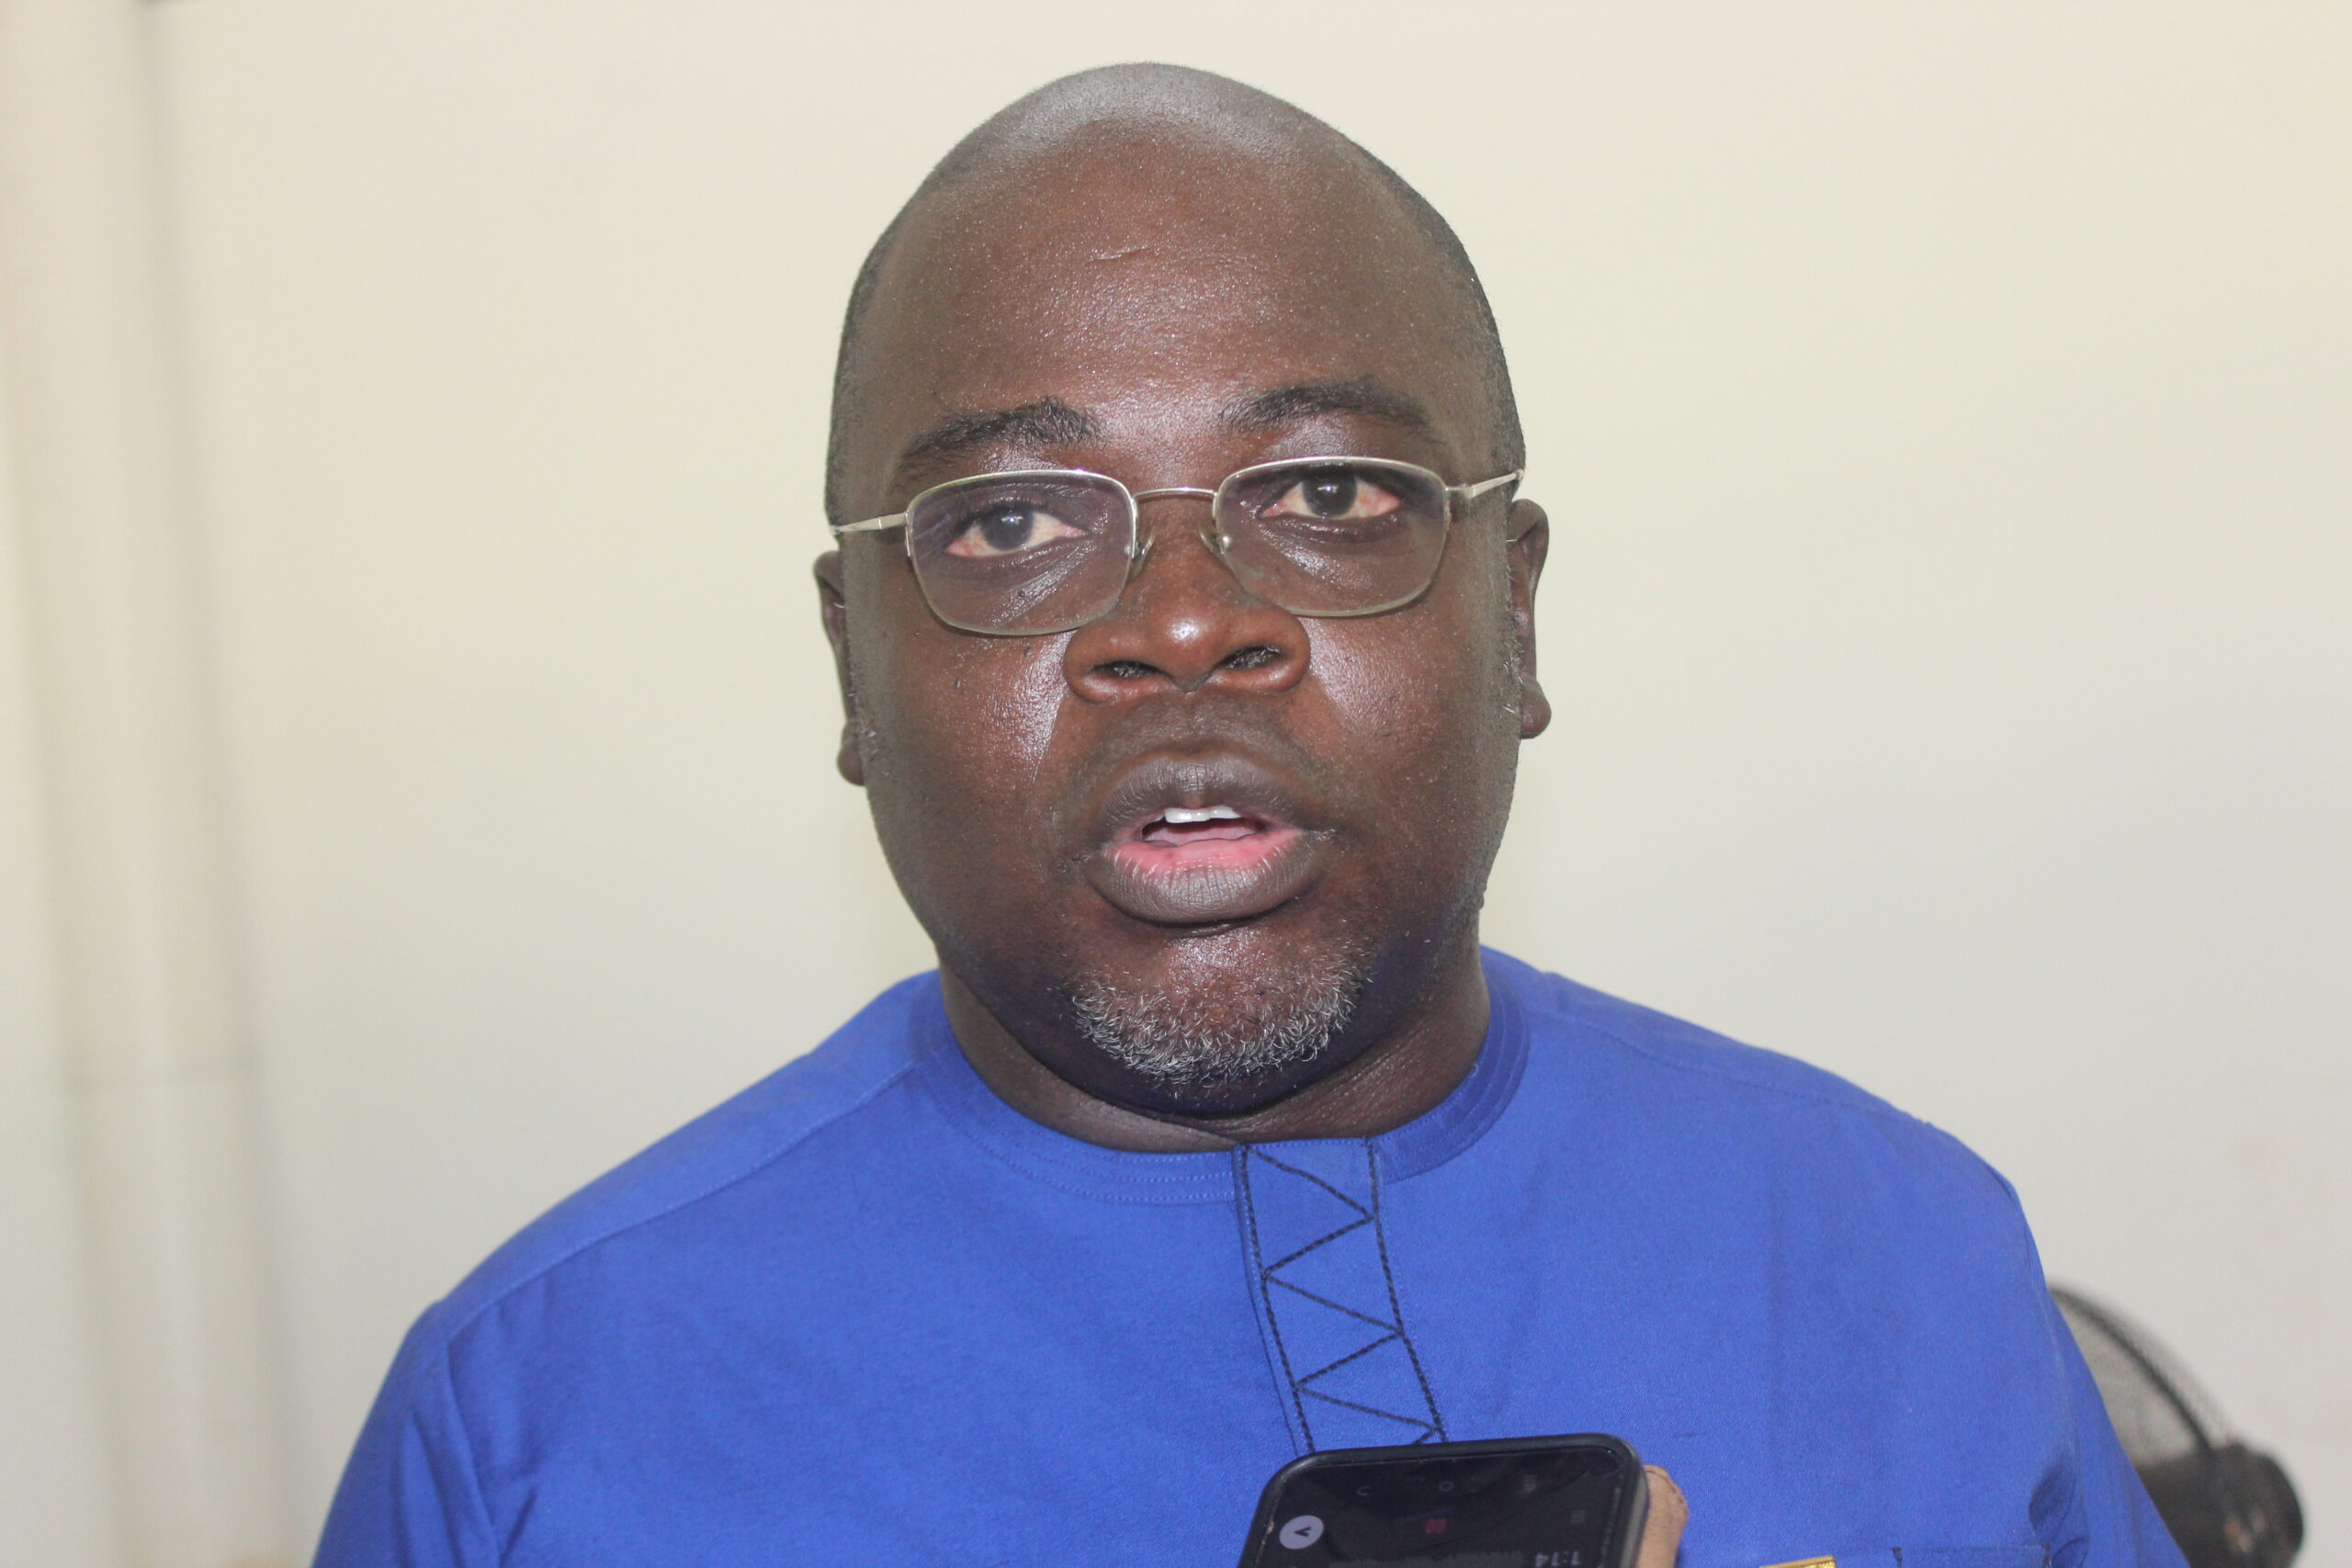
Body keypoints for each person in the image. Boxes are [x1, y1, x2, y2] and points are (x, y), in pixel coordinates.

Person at [316, 64, 2184, 1568]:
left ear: (1515, 616)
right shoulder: (537, 1417)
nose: (1188, 621)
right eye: (1010, 520)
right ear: (851, 670)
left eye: (1328, 494)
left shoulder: (1900, 1246)